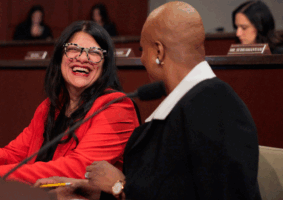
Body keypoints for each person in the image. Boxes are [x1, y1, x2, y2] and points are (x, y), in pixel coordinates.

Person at [35, 2, 262, 200]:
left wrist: (118, 187)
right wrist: (90, 191)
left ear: (159, 52)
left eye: (143, 50)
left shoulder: (215, 105)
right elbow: (167, 190)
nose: (142, 59)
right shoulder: (193, 104)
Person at [0, 21, 139, 184]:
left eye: (94, 52)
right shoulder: (51, 106)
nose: (82, 58)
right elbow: (16, 155)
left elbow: (81, 169)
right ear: (59, 58)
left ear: (105, 64)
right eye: (73, 49)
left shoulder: (117, 108)